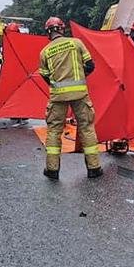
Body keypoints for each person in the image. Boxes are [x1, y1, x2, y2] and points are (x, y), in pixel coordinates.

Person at [38, 17, 102, 180]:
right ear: (62, 29)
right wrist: (80, 76)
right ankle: (94, 168)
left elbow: (45, 76)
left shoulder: (44, 52)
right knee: (86, 128)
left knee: (54, 131)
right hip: (80, 94)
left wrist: (57, 84)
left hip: (57, 96)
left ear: (48, 33)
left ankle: (52, 170)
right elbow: (90, 65)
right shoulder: (76, 43)